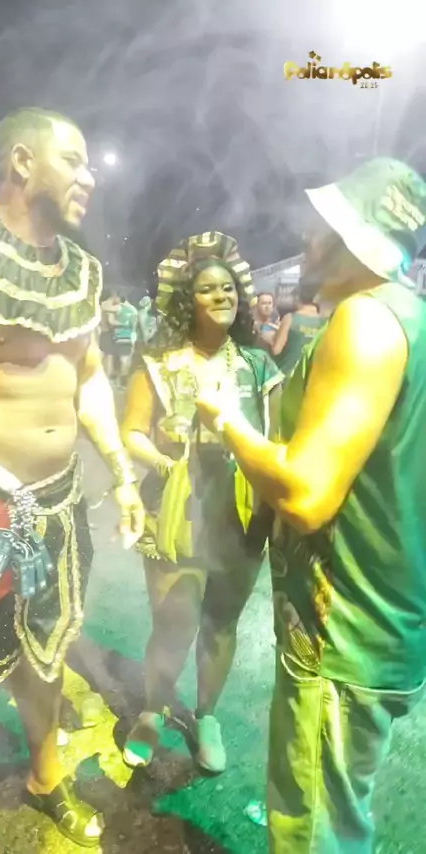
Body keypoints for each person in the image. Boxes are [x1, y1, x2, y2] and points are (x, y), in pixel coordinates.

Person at [195, 158, 426, 853]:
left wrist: (227, 420)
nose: (306, 236)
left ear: (356, 239)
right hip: (383, 617)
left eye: (324, 225)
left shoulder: (365, 321)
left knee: (315, 829)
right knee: (340, 817)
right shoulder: (409, 317)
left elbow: (306, 494)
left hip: (342, 629)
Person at [0, 106, 144, 854]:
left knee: (48, 654)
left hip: (57, 505)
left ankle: (44, 776)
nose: (89, 176)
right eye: (74, 159)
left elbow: (87, 376)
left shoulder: (84, 271)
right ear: (22, 162)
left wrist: (121, 472)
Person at [120, 232, 283, 775]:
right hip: (175, 510)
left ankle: (207, 715)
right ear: (186, 300)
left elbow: (277, 440)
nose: (222, 296)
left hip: (240, 516)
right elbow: (131, 432)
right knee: (173, 622)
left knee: (221, 623)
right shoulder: (158, 363)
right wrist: (163, 459)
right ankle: (152, 711)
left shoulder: (258, 365)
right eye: (209, 289)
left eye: (229, 288)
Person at [270, 287, 325, 376]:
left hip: (289, 374)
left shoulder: (290, 318)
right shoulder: (325, 322)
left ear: (297, 298)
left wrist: (269, 338)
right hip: (315, 375)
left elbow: (276, 350)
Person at [111, 294, 138, 384]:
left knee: (120, 359)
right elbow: (134, 326)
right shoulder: (133, 310)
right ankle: (124, 378)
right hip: (128, 338)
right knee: (126, 360)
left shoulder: (117, 308)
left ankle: (120, 378)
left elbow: (112, 322)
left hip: (119, 337)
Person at [100, 289, 120, 377]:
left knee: (104, 355)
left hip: (102, 333)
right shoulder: (108, 306)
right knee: (109, 356)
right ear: (113, 295)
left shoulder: (102, 305)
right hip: (107, 334)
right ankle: (107, 375)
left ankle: (104, 374)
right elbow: (111, 322)